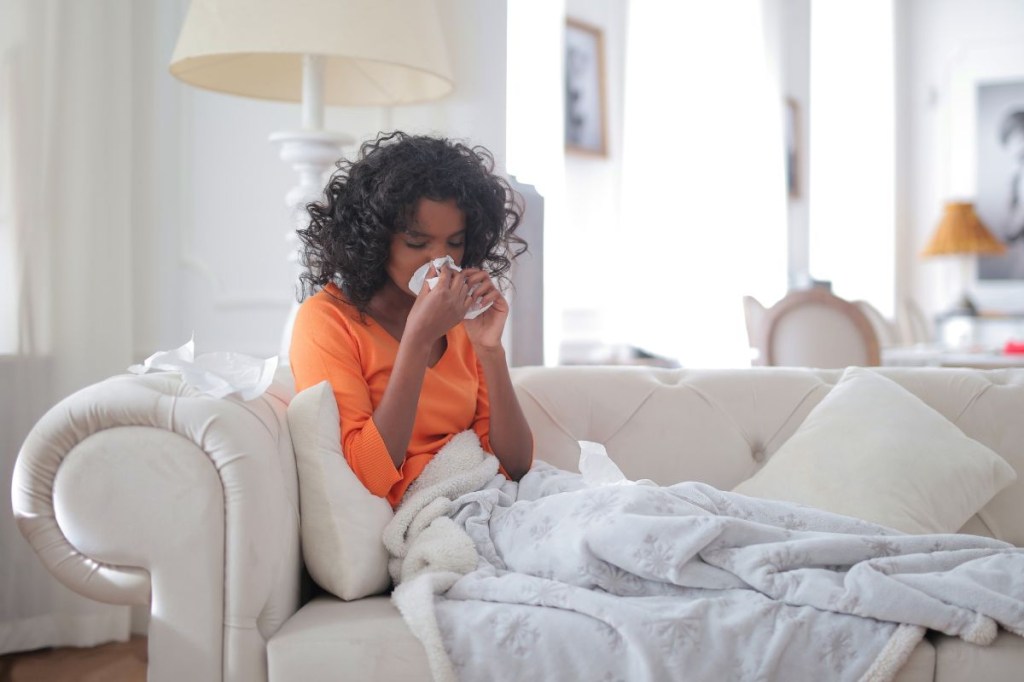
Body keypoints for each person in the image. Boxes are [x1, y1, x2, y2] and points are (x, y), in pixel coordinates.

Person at [289, 131, 533, 508]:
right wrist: (418, 340)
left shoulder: (462, 320)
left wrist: (490, 350)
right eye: (417, 244)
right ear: (374, 239)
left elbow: (516, 466)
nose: (440, 260)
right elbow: (368, 475)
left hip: (491, 499)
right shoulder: (327, 320)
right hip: (436, 514)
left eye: (455, 242)